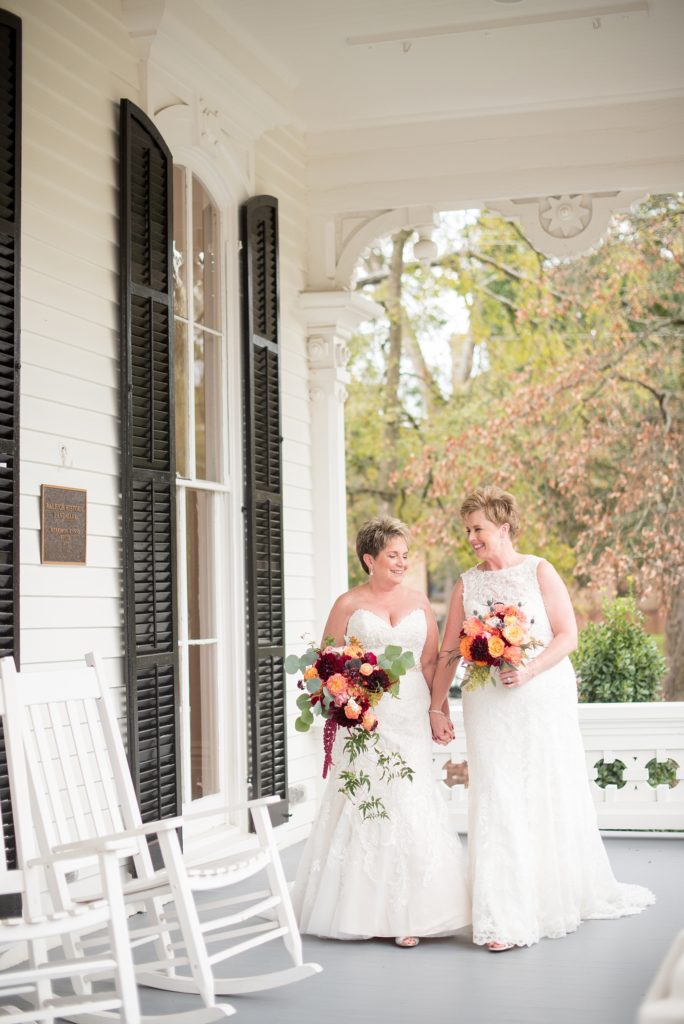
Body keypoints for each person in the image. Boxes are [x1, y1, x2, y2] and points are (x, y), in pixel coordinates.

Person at [429, 486, 655, 952]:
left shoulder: (539, 571)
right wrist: (437, 705)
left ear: (504, 528)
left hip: (539, 695)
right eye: (467, 529)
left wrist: (527, 670)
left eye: (479, 529)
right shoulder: (466, 584)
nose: (471, 537)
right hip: (486, 701)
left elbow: (568, 635)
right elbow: (450, 647)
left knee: (544, 788)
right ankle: (502, 914)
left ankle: (549, 896)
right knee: (497, 793)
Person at [292, 516, 470, 946]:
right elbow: (324, 664)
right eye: (393, 555)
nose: (401, 562)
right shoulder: (348, 604)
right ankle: (365, 910)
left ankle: (413, 912)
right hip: (365, 715)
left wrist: (438, 709)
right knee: (367, 796)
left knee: (410, 796)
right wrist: (343, 701)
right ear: (369, 559)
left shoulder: (420, 602)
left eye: (406, 556)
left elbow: (429, 664)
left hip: (409, 711)